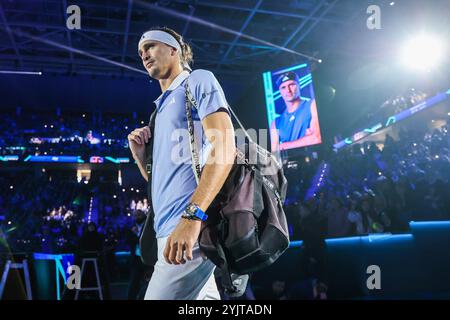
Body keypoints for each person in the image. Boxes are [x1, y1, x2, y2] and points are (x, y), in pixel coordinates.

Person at [128, 27, 236, 300]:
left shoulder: (197, 81)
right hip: (170, 230)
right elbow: (160, 185)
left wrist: (192, 216)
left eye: (151, 46)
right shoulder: (158, 110)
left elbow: (225, 148)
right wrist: (140, 156)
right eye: (141, 52)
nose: (144, 55)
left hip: (189, 226)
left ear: (174, 49)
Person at [270, 71, 321, 152]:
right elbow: (274, 153)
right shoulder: (275, 123)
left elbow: (316, 138)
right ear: (280, 91)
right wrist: (306, 139)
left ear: (299, 85)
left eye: (291, 85)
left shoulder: (311, 105)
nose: (288, 90)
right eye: (283, 87)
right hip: (288, 163)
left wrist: (284, 145)